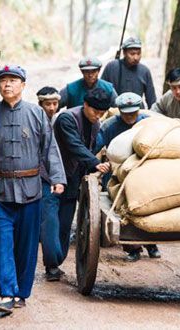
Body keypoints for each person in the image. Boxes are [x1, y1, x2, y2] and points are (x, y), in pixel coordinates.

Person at [0, 66, 66, 314]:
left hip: (31, 191)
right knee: (3, 242)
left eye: (13, 80)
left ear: (23, 85)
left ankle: (21, 292)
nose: (7, 85)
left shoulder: (36, 114)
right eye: (3, 81)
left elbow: (50, 149)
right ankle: (6, 293)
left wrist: (57, 178)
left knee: (26, 246)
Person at [93, 92, 160, 262]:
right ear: (120, 111)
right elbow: (96, 146)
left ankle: (152, 244)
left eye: (133, 112)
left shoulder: (148, 124)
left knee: (148, 206)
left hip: (145, 173)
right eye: (126, 113)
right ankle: (133, 247)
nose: (130, 116)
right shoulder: (109, 126)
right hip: (117, 175)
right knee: (123, 209)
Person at [53, 87, 112, 266]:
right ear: (85, 105)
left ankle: (56, 263)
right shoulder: (66, 119)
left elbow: (93, 145)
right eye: (95, 111)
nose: (98, 116)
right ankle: (51, 260)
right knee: (51, 223)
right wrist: (95, 162)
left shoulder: (96, 123)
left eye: (102, 113)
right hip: (56, 176)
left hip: (74, 179)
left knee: (65, 223)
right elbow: (74, 145)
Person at [36, 86, 66, 281]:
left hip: (50, 179)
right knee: (47, 221)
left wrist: (58, 178)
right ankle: (52, 265)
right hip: (36, 178)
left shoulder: (57, 121)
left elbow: (54, 154)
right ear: (40, 104)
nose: (52, 107)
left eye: (55, 104)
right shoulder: (35, 120)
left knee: (50, 221)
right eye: (48, 104)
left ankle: (52, 262)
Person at [100, 37, 156, 108]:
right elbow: (101, 91)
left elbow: (151, 100)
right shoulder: (111, 67)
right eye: (132, 54)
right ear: (124, 53)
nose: (136, 57)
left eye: (138, 53)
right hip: (115, 110)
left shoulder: (145, 71)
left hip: (137, 112)